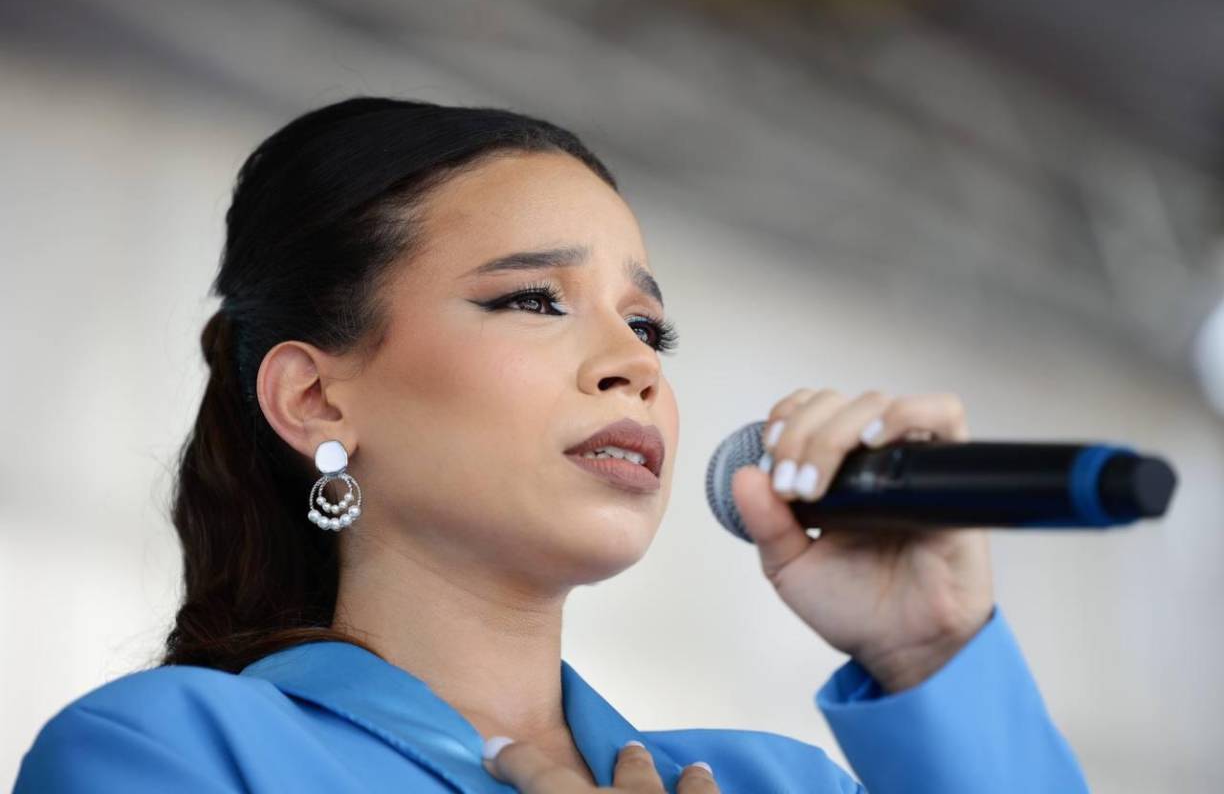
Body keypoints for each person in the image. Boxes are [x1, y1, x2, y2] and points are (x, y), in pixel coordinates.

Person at [14, 97, 1090, 793]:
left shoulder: (782, 785)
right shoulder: (163, 755)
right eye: (534, 300)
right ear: (314, 399)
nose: (636, 364)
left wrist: (932, 655)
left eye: (650, 325)